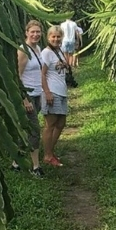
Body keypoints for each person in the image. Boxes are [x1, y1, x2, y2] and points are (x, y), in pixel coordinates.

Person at [15, 20, 45, 178]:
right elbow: (17, 76)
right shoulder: (23, 51)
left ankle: (16, 162)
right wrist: (24, 99)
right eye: (32, 32)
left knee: (27, 129)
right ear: (26, 33)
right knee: (34, 130)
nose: (35, 34)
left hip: (38, 94)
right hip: (28, 96)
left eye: (38, 32)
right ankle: (35, 167)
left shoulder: (38, 49)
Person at [40, 25, 71, 167]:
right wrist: (47, 92)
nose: (56, 39)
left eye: (58, 36)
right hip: (52, 92)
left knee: (61, 123)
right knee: (50, 125)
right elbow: (42, 74)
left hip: (61, 91)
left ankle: (50, 152)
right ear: (48, 37)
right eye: (53, 36)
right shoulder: (46, 53)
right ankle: (47, 155)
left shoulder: (59, 51)